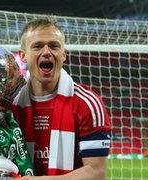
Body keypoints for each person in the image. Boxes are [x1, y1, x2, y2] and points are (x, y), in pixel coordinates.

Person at [12, 16, 111, 179]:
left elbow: (97, 172)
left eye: (54, 46)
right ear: (23, 56)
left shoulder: (88, 104)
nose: (46, 52)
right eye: (37, 46)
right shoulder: (11, 104)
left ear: (64, 55)